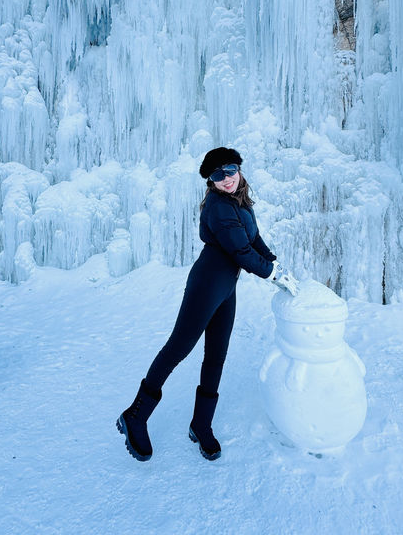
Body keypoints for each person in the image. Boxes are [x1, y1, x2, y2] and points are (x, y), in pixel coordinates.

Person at [117, 147, 299, 461]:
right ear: (210, 182)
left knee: (216, 355)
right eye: (217, 175)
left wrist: (276, 264)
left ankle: (201, 424)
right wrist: (271, 273)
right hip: (207, 284)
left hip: (226, 287)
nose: (226, 178)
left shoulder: (240, 202)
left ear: (239, 170)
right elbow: (241, 253)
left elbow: (253, 240)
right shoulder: (219, 207)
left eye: (230, 170)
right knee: (178, 348)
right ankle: (135, 415)